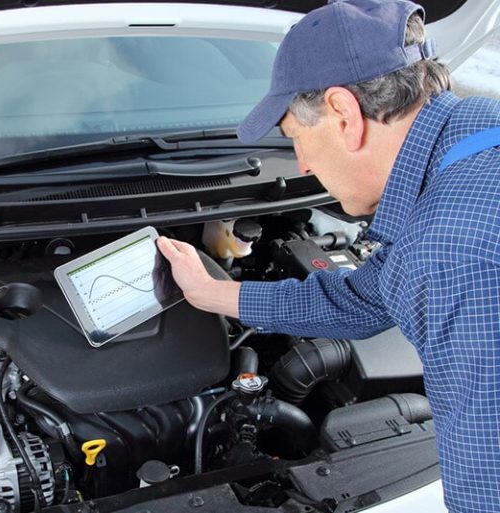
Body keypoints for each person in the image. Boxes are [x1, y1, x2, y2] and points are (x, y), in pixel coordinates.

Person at [156, 0, 500, 512]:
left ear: (343, 113)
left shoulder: (451, 253)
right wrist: (213, 293)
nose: (301, 162)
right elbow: (364, 299)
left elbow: (486, 490)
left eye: (296, 136)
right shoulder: (478, 132)